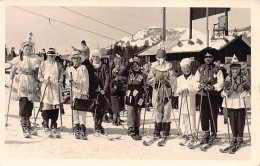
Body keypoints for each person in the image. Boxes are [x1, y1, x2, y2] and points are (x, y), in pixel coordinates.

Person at [9, 42, 42, 138]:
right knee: (23, 99)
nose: (28, 51)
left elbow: (37, 70)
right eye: (26, 49)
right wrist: (12, 73)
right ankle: (23, 119)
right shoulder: (19, 58)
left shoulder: (34, 59)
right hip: (22, 80)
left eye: (29, 49)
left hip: (31, 80)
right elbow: (13, 68)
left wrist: (35, 73)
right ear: (23, 49)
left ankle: (28, 118)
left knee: (30, 100)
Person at [194, 47, 224, 144]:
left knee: (213, 114)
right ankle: (206, 132)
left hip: (213, 95)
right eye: (205, 56)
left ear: (213, 58)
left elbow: (221, 83)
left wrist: (213, 87)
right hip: (202, 95)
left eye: (210, 57)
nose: (207, 58)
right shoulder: (200, 69)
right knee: (203, 114)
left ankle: (213, 132)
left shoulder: (217, 69)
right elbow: (195, 81)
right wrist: (199, 85)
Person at [221, 55, 250, 147]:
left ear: (240, 69)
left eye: (237, 69)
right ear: (230, 69)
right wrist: (224, 92)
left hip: (240, 99)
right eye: (233, 69)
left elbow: (248, 87)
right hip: (231, 99)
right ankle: (234, 136)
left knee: (241, 117)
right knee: (232, 117)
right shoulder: (228, 78)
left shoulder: (244, 77)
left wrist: (246, 92)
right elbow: (225, 87)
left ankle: (240, 136)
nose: (235, 71)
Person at [147, 48, 176, 139]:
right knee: (157, 110)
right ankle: (157, 129)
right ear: (156, 57)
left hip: (167, 91)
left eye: (162, 57)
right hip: (157, 91)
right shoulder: (154, 67)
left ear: (165, 58)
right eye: (159, 57)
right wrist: (156, 79)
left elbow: (173, 79)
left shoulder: (169, 67)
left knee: (167, 111)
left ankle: (166, 130)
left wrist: (166, 81)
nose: (161, 59)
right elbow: (149, 79)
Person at [119, 56, 146, 140]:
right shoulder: (129, 73)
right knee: (130, 111)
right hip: (130, 94)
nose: (135, 67)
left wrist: (146, 91)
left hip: (139, 95)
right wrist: (128, 64)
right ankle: (130, 127)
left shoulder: (142, 74)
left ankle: (136, 127)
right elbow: (121, 72)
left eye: (137, 65)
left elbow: (145, 85)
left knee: (137, 112)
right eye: (133, 65)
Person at [38, 48, 63, 137]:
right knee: (46, 105)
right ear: (47, 56)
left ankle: (54, 123)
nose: (51, 57)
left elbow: (61, 76)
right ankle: (45, 123)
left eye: (53, 56)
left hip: (55, 87)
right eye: (49, 56)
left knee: (55, 105)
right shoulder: (43, 64)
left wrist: (60, 81)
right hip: (46, 87)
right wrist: (44, 80)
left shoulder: (58, 65)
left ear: (55, 56)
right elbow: (39, 75)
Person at [66, 51, 89, 139]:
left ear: (80, 59)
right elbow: (67, 81)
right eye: (74, 58)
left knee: (82, 110)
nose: (76, 60)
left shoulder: (83, 68)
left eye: (78, 58)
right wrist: (69, 81)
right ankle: (76, 126)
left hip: (81, 91)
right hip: (74, 92)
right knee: (75, 110)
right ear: (72, 60)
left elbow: (86, 81)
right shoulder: (69, 69)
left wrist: (84, 92)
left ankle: (83, 127)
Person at [175, 58, 197, 146]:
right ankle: (185, 134)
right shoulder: (179, 78)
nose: (185, 70)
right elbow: (176, 88)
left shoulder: (194, 78)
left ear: (190, 67)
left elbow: (196, 88)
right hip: (182, 100)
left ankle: (192, 134)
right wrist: (178, 91)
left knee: (191, 116)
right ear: (181, 69)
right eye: (183, 69)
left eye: (187, 68)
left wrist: (189, 90)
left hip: (190, 99)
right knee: (183, 117)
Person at [88, 49, 109, 134]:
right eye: (93, 56)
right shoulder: (90, 67)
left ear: (99, 57)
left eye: (97, 56)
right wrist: (94, 88)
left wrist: (104, 89)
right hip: (94, 91)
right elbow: (89, 79)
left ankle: (99, 124)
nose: (95, 58)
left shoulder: (104, 66)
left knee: (101, 109)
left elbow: (108, 78)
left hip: (102, 91)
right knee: (95, 108)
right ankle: (97, 125)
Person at [110, 55, 125, 126]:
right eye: (117, 62)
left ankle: (118, 117)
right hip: (115, 88)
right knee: (115, 104)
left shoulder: (121, 69)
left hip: (120, 88)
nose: (119, 63)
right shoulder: (114, 70)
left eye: (120, 62)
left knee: (120, 104)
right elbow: (113, 78)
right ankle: (115, 118)